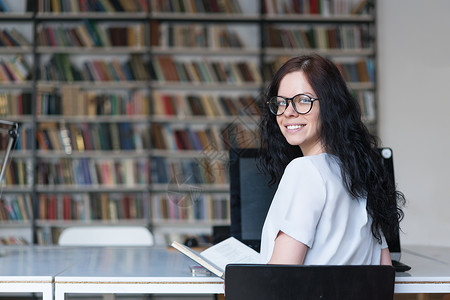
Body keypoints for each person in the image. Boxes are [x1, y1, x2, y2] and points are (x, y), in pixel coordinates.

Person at [258, 54, 405, 265]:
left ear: (329, 106)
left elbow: (280, 276)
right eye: (281, 103)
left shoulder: (304, 170)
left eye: (303, 100)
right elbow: (385, 270)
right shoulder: (361, 174)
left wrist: (238, 282)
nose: (288, 112)